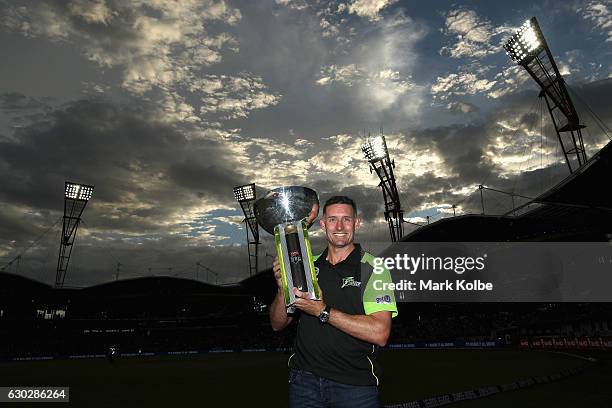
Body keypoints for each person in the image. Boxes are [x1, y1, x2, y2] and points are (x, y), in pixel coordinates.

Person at [270, 196, 397, 408]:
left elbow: (380, 333)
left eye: (346, 219)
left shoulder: (374, 268)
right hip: (304, 382)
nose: (339, 226)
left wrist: (323, 311)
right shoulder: (307, 266)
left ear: (356, 223)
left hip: (354, 386)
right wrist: (281, 288)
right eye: (332, 219)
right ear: (322, 224)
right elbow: (277, 324)